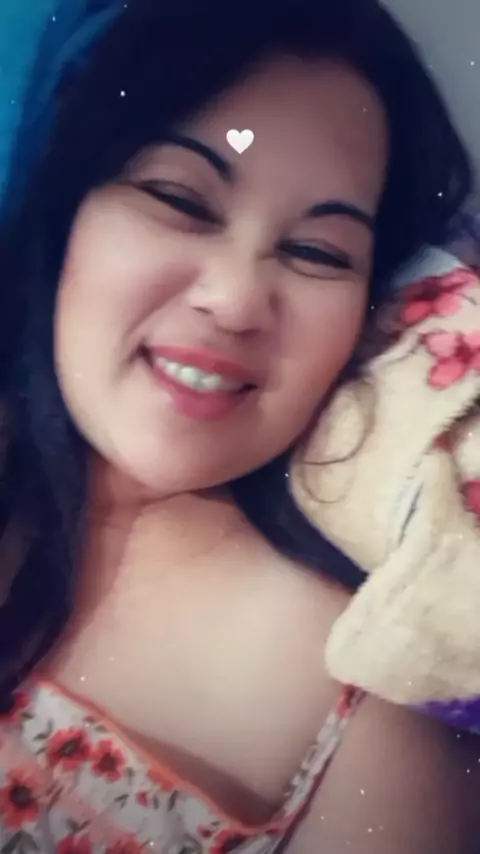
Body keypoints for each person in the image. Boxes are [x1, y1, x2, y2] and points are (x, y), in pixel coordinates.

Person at [0, 0, 478, 850]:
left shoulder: (370, 723)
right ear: (65, 208)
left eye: (318, 252)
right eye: (179, 198)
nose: (234, 299)